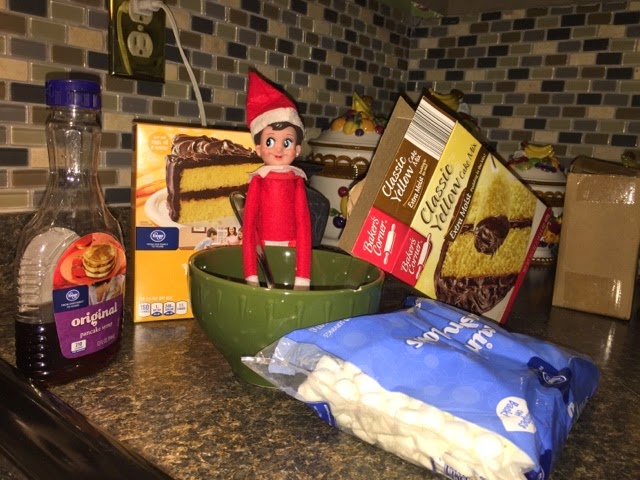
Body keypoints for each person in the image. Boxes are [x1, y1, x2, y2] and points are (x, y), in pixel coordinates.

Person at [242, 70, 312, 289]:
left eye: (287, 142)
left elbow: (303, 226)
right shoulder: (258, 180)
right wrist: (251, 274)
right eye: (270, 142)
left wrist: (303, 277)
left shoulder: (296, 180)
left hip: (291, 248)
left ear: (297, 149)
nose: (279, 149)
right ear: (258, 148)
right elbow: (248, 226)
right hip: (262, 248)